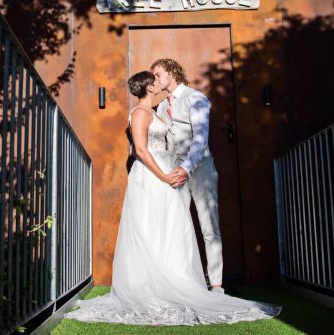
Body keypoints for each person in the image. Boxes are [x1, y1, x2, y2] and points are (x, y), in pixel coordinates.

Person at [65, 71, 279, 325]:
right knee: (152, 226)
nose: (158, 81)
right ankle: (152, 285)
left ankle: (179, 278)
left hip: (170, 170)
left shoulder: (159, 108)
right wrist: (164, 176)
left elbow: (191, 136)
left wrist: (171, 173)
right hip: (153, 175)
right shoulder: (142, 113)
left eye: (159, 75)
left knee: (171, 227)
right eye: (154, 79)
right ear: (148, 86)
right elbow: (141, 150)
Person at [151, 57, 224, 292]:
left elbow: (201, 138)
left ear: (172, 72)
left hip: (200, 168)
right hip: (175, 172)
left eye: (158, 74)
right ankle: (184, 281)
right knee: (178, 226)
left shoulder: (195, 98)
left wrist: (186, 168)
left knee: (209, 227)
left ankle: (216, 284)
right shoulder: (162, 106)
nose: (155, 79)